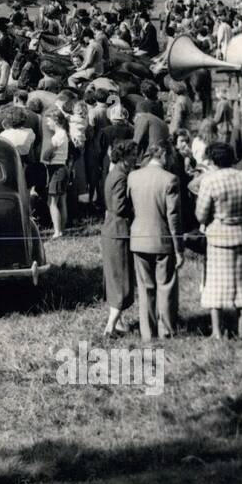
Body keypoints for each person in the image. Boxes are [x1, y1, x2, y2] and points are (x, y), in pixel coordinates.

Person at [195, 141, 242, 340]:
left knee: (215, 285)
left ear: (213, 160)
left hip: (219, 236)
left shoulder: (210, 181)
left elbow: (200, 214)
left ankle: (217, 331)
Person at [126, 143, 183, 343]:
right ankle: (166, 329)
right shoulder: (170, 179)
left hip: (139, 238)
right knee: (165, 285)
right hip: (162, 239)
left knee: (145, 287)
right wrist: (179, 248)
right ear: (164, 155)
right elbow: (173, 217)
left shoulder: (133, 176)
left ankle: (147, 333)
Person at [101, 139, 137, 338]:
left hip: (111, 229)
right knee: (121, 279)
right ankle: (110, 327)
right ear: (124, 156)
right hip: (119, 231)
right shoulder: (121, 177)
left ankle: (120, 323)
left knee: (115, 278)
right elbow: (119, 207)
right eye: (133, 154)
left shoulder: (114, 173)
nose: (136, 158)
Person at [41, 109, 71, 238]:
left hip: (56, 170)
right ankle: (62, 229)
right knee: (62, 201)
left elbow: (47, 154)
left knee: (52, 202)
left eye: (49, 121)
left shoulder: (57, 136)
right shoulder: (64, 134)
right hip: (62, 168)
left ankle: (57, 231)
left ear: (55, 121)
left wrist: (46, 156)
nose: (47, 123)